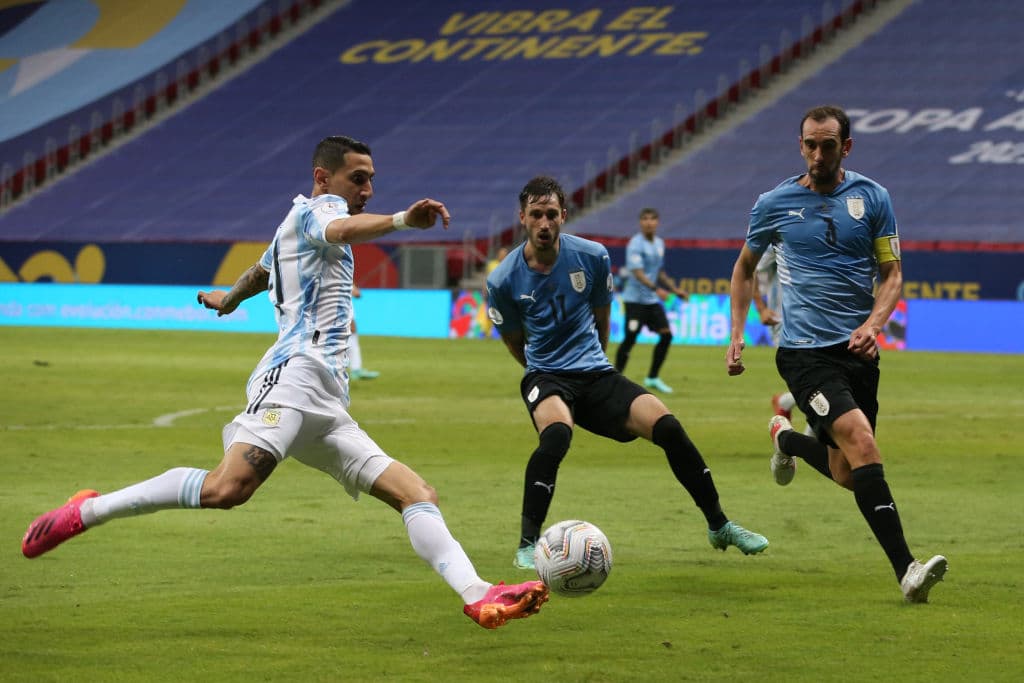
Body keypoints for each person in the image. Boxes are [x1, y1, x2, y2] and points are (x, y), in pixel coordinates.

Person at [21, 135, 547, 629]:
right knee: (226, 489)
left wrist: (227, 298)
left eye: (371, 181)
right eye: (357, 179)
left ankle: (478, 593)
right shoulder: (321, 211)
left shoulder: (291, 225)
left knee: (415, 493)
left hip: (326, 399)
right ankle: (85, 511)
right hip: (294, 376)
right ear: (324, 177)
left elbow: (262, 270)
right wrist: (405, 219)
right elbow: (338, 230)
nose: (366, 190)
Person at [487, 176, 768, 571]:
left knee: (668, 427)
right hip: (546, 374)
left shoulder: (592, 257)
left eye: (552, 214)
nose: (545, 223)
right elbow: (515, 342)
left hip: (595, 373)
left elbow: (602, 319)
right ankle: (527, 545)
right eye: (536, 215)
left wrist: (598, 366)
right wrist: (542, 374)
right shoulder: (502, 280)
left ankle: (719, 525)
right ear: (523, 218)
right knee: (556, 436)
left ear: (563, 216)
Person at [726, 105, 947, 603]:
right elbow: (743, 269)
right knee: (863, 443)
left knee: (849, 471)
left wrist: (874, 324)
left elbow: (892, 274)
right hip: (804, 354)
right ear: (800, 145)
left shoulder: (873, 198)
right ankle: (907, 571)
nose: (818, 153)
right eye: (810, 144)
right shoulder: (774, 203)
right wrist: (737, 332)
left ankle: (786, 440)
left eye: (829, 145)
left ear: (846, 147)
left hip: (858, 350)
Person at [613, 208, 689, 394]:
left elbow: (659, 272)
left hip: (651, 301)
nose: (648, 222)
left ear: (657, 223)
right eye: (645, 219)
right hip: (634, 300)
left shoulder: (659, 243)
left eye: (652, 219)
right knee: (630, 338)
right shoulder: (635, 244)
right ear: (640, 222)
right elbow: (637, 273)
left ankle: (653, 377)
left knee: (666, 335)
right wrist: (657, 289)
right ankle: (615, 379)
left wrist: (675, 290)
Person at [348, 284, 379, 380]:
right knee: (351, 336)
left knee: (352, 339)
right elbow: (357, 294)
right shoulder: (342, 278)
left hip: (338, 310)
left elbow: (357, 294)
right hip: (343, 310)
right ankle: (355, 369)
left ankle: (355, 369)